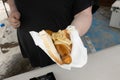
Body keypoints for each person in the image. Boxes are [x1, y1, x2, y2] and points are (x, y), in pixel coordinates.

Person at [7, 0, 92, 67]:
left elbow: (84, 13)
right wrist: (13, 8)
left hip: (63, 47)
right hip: (30, 40)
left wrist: (69, 35)